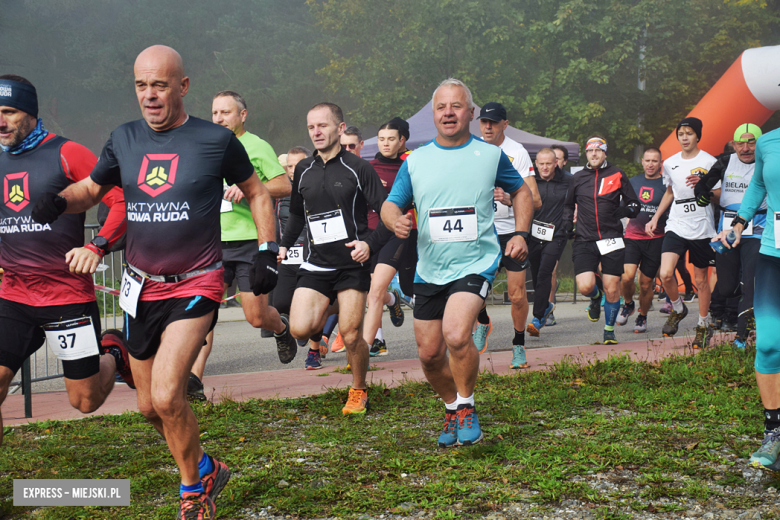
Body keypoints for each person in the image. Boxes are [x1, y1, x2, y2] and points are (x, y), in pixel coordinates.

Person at [31, 46, 279, 519]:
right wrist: (58, 201)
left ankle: (192, 491)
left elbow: (258, 192)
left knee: (168, 396)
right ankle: (206, 467)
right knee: (149, 408)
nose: (150, 95)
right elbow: (92, 189)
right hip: (139, 287)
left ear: (182, 87)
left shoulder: (214, 140)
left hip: (196, 283)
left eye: (160, 85)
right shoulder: (123, 139)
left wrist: (267, 251)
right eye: (142, 85)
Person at [382, 78, 533, 447]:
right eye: (441, 107)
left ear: (470, 113)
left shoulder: (490, 155)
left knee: (455, 333)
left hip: (475, 262)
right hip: (430, 268)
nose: (448, 112)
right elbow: (391, 204)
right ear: (433, 115)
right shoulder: (415, 161)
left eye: (456, 106)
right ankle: (451, 406)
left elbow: (522, 192)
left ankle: (466, 404)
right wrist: (394, 220)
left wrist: (521, 233)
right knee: (429, 354)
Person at [0, 74, 133, 446]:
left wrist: (97, 246)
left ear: (30, 113)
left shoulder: (68, 153)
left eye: (8, 111)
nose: (0, 121)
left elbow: (119, 201)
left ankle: (114, 355)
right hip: (14, 296)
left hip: (66, 297)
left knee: (85, 400)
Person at [279, 103, 386, 413]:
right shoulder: (303, 170)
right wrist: (284, 245)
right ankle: (346, 302)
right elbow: (297, 215)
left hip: (352, 264)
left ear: (340, 129)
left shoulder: (359, 168)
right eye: (312, 126)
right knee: (299, 329)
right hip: (316, 263)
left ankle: (358, 390)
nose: (316, 132)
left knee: (352, 334)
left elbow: (388, 215)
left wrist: (369, 244)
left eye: (323, 126)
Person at [187, 91, 293, 400]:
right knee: (202, 311)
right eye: (215, 113)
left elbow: (283, 185)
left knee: (255, 317)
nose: (218, 118)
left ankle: (280, 328)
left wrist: (247, 188)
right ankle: (194, 380)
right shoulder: (205, 145)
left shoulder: (257, 146)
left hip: (249, 242)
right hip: (211, 243)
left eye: (226, 113)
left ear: (243, 115)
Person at [716, 126, 780, 470]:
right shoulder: (769, 142)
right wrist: (739, 223)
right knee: (769, 344)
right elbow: (758, 185)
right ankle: (774, 432)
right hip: (774, 252)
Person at [474, 102, 540, 366]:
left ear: (505, 124)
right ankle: (482, 323)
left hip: (511, 233)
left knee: (516, 294)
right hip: (481, 232)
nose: (487, 127)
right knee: (474, 291)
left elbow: (535, 200)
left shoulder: (517, 152)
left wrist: (510, 199)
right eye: (483, 122)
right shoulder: (473, 149)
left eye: (493, 122)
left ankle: (518, 344)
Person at [647, 117, 718, 349]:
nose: (684, 137)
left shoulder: (709, 161)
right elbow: (670, 191)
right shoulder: (669, 163)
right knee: (666, 273)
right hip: (676, 223)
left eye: (689, 133)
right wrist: (656, 217)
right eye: (681, 134)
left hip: (701, 225)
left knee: (700, 280)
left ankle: (703, 325)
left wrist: (704, 184)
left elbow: (720, 195)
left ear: (697, 136)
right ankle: (678, 309)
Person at [562, 135, 640, 345]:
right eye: (590, 151)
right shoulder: (578, 177)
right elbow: (568, 205)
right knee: (586, 286)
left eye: (598, 150)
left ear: (605, 152)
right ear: (586, 153)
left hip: (611, 238)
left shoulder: (617, 173)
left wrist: (626, 210)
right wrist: (567, 223)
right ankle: (596, 298)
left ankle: (608, 331)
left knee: (612, 287)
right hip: (585, 239)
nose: (594, 154)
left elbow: (635, 204)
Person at [696, 124, 764, 349]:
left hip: (758, 230)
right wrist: (703, 196)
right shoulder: (725, 161)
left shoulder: (768, 162)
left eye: (751, 142)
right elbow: (702, 186)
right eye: (740, 143)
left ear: (759, 143)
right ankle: (753, 303)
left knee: (749, 285)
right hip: (727, 230)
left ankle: (741, 338)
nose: (746, 148)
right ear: (733, 144)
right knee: (726, 288)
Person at [363, 119, 414, 357]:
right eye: (381, 139)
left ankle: (363, 351)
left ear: (402, 141)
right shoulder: (367, 168)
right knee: (373, 291)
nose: (385, 143)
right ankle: (392, 303)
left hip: (396, 233)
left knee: (374, 291)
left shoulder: (411, 166)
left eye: (391, 139)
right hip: (369, 234)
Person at [616, 148, 667, 333]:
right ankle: (628, 304)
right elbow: (623, 206)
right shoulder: (634, 181)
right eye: (647, 160)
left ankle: (642, 316)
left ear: (660, 163)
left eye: (655, 161)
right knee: (627, 276)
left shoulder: (666, 184)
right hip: (632, 236)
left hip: (656, 239)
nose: (651, 164)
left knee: (646, 283)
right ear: (642, 161)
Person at [525, 148, 571, 342]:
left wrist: (569, 224)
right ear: (536, 163)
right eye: (541, 163)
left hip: (557, 234)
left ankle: (537, 318)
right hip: (533, 234)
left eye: (549, 163)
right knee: (536, 274)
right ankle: (547, 306)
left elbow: (576, 201)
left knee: (545, 272)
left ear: (556, 163)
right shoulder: (530, 180)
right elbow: (521, 201)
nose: (545, 167)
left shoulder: (569, 180)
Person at [547, 144, 572, 325]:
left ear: (564, 162)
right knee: (541, 270)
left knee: (550, 269)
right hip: (537, 230)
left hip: (559, 231)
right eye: (551, 159)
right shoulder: (537, 179)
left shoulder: (571, 180)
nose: (553, 163)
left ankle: (549, 309)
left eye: (557, 159)